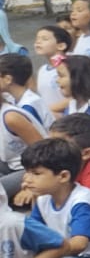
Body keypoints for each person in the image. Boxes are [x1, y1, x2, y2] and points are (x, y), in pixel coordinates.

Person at [0, 52, 46, 196]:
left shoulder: (11, 117)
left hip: (28, 169)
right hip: (10, 165)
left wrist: (30, 184)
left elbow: (44, 152)